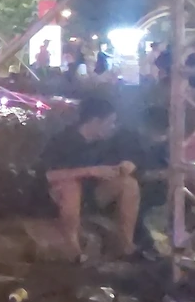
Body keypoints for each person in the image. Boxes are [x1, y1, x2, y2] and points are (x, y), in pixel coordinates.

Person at [42, 92, 141, 265]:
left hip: (91, 196)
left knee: (129, 184)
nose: (112, 127)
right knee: (70, 186)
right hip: (59, 199)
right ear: (95, 122)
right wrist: (89, 171)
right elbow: (49, 175)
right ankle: (74, 250)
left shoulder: (104, 144)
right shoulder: (63, 141)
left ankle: (126, 245)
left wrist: (125, 166)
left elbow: (116, 166)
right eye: (110, 122)